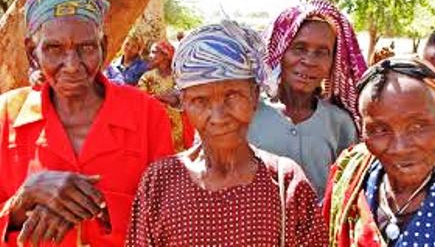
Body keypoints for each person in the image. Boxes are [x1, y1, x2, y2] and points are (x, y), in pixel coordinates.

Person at [126, 20, 328, 246]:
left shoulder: (286, 182)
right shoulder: (159, 181)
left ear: (254, 95)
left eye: (232, 95)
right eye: (200, 100)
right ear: (183, 103)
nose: (219, 116)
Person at [0, 0, 173, 246]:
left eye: (86, 48)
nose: (72, 65)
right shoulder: (5, 116)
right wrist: (22, 200)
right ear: (31, 54)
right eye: (54, 48)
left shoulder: (147, 114)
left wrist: (101, 207)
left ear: (103, 46)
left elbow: (169, 216)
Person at [248, 0, 367, 199]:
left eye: (322, 53)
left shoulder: (340, 123)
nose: (309, 61)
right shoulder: (249, 114)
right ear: (280, 51)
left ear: (333, 61)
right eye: (299, 48)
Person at [323, 57, 435, 246]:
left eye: (417, 126)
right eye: (380, 130)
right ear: (362, 131)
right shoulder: (351, 172)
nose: (400, 147)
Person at [138, 40, 195, 152]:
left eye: (154, 52)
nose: (150, 56)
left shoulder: (178, 77)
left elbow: (183, 98)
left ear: (165, 55)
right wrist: (162, 98)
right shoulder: (148, 77)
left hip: (178, 125)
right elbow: (141, 99)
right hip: (156, 124)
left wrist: (170, 99)